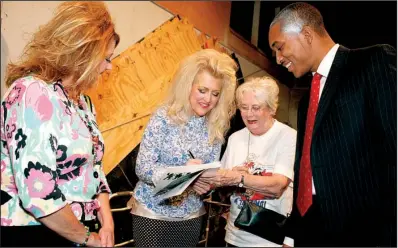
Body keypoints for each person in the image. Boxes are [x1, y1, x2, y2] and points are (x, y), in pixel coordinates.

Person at [267, 2, 397, 247]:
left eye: (280, 47)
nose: (278, 58)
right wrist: (293, 232)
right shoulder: (306, 101)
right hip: (311, 228)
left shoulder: (373, 62)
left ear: (306, 34)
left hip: (365, 231)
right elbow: (305, 167)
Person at [0, 2, 120, 247]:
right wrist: (87, 238)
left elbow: (95, 170)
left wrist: (107, 221)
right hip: (34, 232)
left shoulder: (83, 102)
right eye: (106, 59)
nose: (110, 67)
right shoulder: (32, 92)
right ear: (82, 53)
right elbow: (38, 193)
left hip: (76, 231)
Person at [129, 48, 238, 247]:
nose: (208, 100)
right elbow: (143, 168)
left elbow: (208, 178)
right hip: (153, 215)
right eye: (202, 90)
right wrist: (183, 175)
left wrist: (206, 183)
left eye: (215, 94)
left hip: (191, 217)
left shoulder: (215, 128)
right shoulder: (164, 117)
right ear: (188, 86)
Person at [198, 76, 297, 247]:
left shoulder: (288, 136)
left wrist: (239, 178)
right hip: (234, 237)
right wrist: (202, 177)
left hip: (270, 240)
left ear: (271, 109)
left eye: (256, 108)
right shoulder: (236, 138)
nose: (249, 114)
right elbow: (222, 184)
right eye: (244, 107)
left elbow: (278, 186)